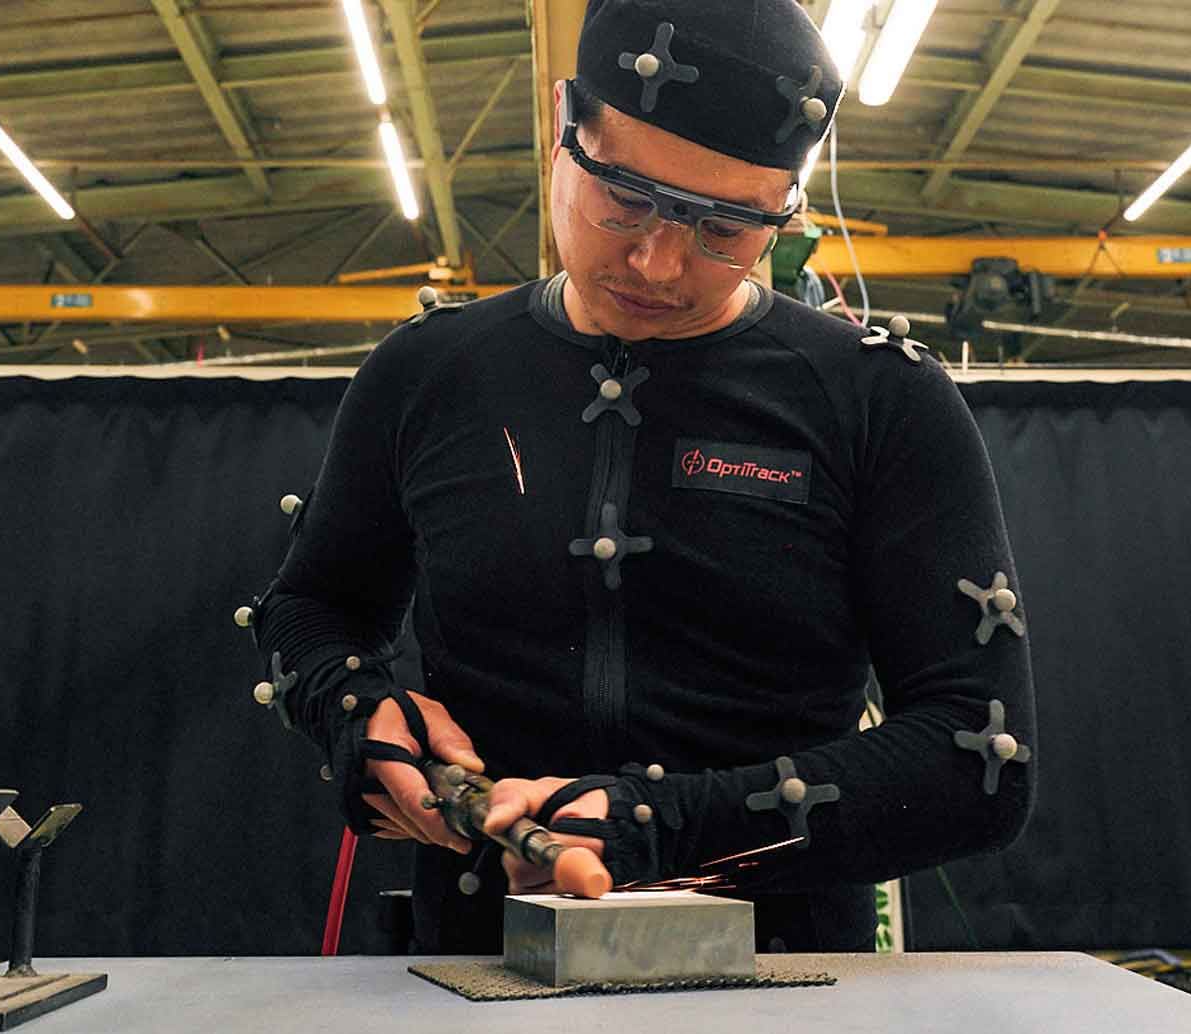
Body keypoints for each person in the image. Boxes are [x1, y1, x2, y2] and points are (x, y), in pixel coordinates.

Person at [250, 0, 1036, 954]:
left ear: (785, 212)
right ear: (561, 126)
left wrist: (656, 829)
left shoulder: (880, 402)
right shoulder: (427, 374)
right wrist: (355, 710)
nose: (658, 262)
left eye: (725, 228)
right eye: (624, 199)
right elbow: (310, 607)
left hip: (784, 979)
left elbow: (978, 761)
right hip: (473, 961)